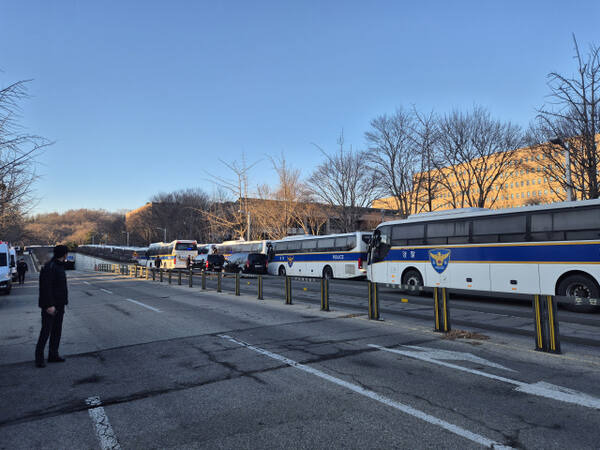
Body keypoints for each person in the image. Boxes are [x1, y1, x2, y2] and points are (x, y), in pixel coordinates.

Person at [35, 245, 69, 368]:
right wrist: (49, 305)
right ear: (64, 254)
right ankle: (39, 358)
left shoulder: (59, 266)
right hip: (50, 306)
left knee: (56, 331)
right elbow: (45, 288)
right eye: (66, 254)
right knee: (46, 331)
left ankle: (53, 355)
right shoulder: (50, 267)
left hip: (60, 305)